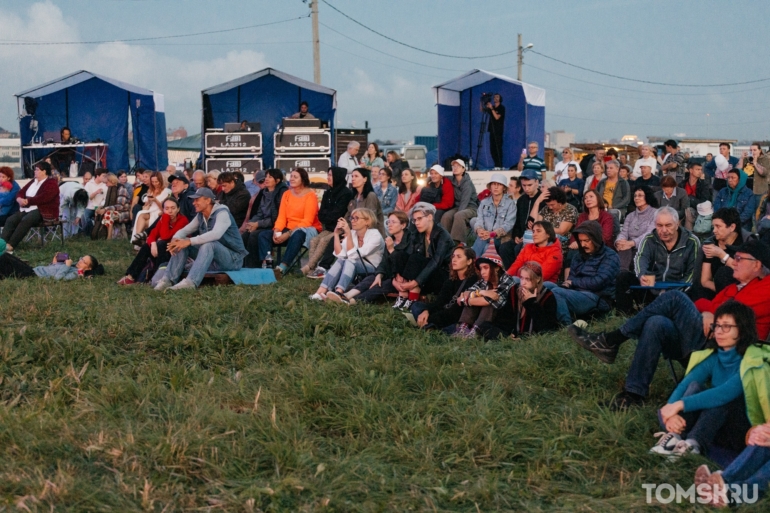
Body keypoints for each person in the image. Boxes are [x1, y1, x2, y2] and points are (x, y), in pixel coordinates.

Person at [568, 239, 770, 410]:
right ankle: (633, 394)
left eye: (740, 259)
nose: (734, 262)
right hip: (702, 340)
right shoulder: (732, 289)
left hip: (726, 351)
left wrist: (712, 312)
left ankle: (612, 339)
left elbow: (735, 316)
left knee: (674, 297)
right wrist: (709, 311)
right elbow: (702, 304)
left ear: (757, 265)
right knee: (656, 322)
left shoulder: (767, 288)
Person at [651, 301, 756, 458]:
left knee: (721, 399)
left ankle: (693, 445)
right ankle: (675, 437)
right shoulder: (714, 356)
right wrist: (670, 412)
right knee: (694, 386)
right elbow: (686, 384)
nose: (719, 331)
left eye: (726, 326)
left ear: (742, 330)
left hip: (740, 430)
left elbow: (724, 393)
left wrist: (680, 405)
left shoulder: (752, 361)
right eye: (717, 326)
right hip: (714, 424)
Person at [154, 188, 248, 291]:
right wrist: (175, 239)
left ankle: (190, 283)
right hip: (213, 260)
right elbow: (185, 230)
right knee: (181, 241)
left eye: (197, 200)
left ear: (208, 201)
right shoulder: (201, 215)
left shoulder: (222, 213)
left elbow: (216, 234)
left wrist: (189, 241)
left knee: (208, 244)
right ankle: (168, 280)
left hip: (233, 260)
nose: (193, 203)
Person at [615, 207, 700, 314]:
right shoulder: (649, 239)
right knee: (623, 277)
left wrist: (674, 293)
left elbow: (692, 273)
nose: (663, 230)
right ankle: (625, 315)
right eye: (659, 225)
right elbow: (641, 259)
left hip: (679, 290)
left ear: (677, 224)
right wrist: (643, 275)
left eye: (668, 225)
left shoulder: (691, 241)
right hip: (652, 287)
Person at [545, 221, 619, 325]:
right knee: (545, 286)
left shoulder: (610, 256)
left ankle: (566, 325)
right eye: (580, 241)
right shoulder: (578, 256)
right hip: (577, 293)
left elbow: (598, 282)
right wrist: (568, 284)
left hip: (598, 297)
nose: (583, 244)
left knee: (557, 292)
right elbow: (571, 279)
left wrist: (573, 282)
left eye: (587, 241)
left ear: (596, 239)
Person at [256, 168, 321, 278]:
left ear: (303, 179)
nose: (292, 179)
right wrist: (277, 230)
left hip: (307, 229)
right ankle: (267, 265)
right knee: (264, 235)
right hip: (289, 227)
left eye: (295, 177)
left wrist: (288, 234)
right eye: (291, 176)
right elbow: (281, 217)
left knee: (297, 234)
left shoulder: (311, 195)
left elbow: (307, 221)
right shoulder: (287, 194)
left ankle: (283, 266)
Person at [310, 208, 385, 302]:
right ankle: (320, 292)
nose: (352, 221)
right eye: (352, 218)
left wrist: (348, 235)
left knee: (350, 260)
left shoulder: (375, 236)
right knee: (343, 260)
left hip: (373, 270)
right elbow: (340, 256)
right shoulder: (353, 233)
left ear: (367, 221)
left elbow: (353, 256)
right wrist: (336, 234)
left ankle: (339, 292)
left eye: (356, 218)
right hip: (353, 265)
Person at [391, 202, 454, 311]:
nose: (416, 223)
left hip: (442, 274)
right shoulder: (417, 233)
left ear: (430, 217)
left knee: (417, 259)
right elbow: (409, 255)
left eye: (419, 219)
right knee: (399, 255)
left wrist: (416, 282)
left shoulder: (443, 236)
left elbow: (436, 262)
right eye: (415, 220)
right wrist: (397, 277)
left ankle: (412, 299)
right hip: (423, 273)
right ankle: (403, 295)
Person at [345, 211, 413, 304]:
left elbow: (404, 263)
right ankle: (347, 295)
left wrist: (391, 250)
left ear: (403, 225)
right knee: (372, 278)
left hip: (402, 277)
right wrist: (379, 274)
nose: (389, 225)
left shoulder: (410, 240)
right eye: (388, 222)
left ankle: (355, 300)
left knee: (383, 284)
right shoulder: (390, 239)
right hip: (388, 273)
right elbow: (384, 261)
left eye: (393, 222)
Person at [451, 241, 516, 339]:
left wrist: (475, 296)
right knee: (477, 299)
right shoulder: (484, 281)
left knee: (489, 303)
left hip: (501, 320)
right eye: (481, 269)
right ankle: (463, 327)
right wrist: (477, 294)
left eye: (486, 268)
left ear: (496, 268)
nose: (482, 272)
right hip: (487, 316)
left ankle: (476, 330)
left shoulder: (506, 279)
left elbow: (493, 299)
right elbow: (467, 293)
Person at [118, 198, 189, 285]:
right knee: (146, 247)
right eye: (167, 209)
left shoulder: (182, 220)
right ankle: (131, 276)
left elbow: (165, 236)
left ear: (178, 209)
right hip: (163, 249)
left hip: (178, 251)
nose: (170, 211)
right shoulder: (162, 219)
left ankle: (157, 277)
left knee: (162, 244)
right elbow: (153, 234)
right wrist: (153, 243)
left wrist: (165, 217)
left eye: (173, 208)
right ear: (163, 209)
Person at [408, 245, 477, 332]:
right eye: (453, 256)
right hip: (443, 312)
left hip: (456, 318)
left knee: (453, 326)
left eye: (459, 257)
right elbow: (439, 302)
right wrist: (427, 311)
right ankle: (429, 325)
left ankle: (427, 324)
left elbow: (456, 311)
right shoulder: (451, 280)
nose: (454, 260)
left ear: (469, 261)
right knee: (417, 306)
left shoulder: (473, 281)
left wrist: (431, 317)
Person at [482, 261, 558, 340]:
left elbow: (548, 327)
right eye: (521, 278)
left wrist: (531, 302)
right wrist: (507, 335)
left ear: (538, 279)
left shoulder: (547, 295)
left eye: (527, 279)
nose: (523, 283)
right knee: (485, 326)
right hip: (513, 332)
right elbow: (504, 318)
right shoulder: (514, 290)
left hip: (533, 335)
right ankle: (509, 339)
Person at [302, 167, 353, 278]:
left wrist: (327, 216)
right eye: (328, 175)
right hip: (329, 227)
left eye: (330, 175)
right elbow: (321, 214)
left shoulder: (346, 193)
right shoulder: (328, 193)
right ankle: (314, 268)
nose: (328, 178)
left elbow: (337, 214)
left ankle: (308, 267)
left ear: (337, 177)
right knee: (314, 240)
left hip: (339, 229)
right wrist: (327, 216)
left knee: (324, 240)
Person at [1, 162, 59, 254]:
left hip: (43, 210)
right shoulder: (33, 181)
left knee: (26, 219)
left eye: (37, 169)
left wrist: (28, 201)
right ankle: (2, 244)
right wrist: (19, 198)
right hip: (27, 208)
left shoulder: (51, 183)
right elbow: (21, 191)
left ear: (44, 171)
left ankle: (11, 245)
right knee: (11, 219)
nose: (35, 171)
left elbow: (45, 197)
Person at [241, 169, 288, 269]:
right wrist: (251, 223)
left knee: (255, 235)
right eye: (266, 177)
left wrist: (258, 224)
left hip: (277, 226)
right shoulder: (263, 192)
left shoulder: (282, 193)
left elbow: (276, 218)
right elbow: (260, 213)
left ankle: (255, 266)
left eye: (270, 177)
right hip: (264, 223)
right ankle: (245, 265)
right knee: (245, 235)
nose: (266, 179)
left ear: (277, 180)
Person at [695, 208, 744, 300]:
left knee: (725, 272)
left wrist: (722, 255)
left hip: (740, 294)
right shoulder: (711, 244)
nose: (714, 231)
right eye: (713, 227)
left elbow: (746, 273)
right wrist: (723, 292)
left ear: (732, 227)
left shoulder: (745, 244)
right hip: (716, 292)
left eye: (718, 226)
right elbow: (705, 281)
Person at [497, 169, 542, 269]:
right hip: (521, 236)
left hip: (535, 237)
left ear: (537, 182)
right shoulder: (521, 200)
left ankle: (523, 275)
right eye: (524, 185)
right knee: (504, 248)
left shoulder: (542, 199)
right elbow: (517, 221)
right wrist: (516, 235)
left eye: (529, 185)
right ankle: (512, 274)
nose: (526, 188)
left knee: (518, 248)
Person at [470, 173, 516, 256]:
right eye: (494, 184)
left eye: (499, 184)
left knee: (482, 241)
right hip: (485, 235)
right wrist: (480, 230)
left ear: (504, 188)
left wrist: (492, 233)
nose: (496, 187)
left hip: (501, 239)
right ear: (490, 186)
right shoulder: (484, 202)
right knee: (482, 240)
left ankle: (472, 261)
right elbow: (479, 219)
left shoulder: (510, 204)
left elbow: (508, 225)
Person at [567, 191, 616, 266]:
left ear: (598, 199)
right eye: (585, 198)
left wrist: (588, 243)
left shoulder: (607, 216)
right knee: (572, 253)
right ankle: (569, 278)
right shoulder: (582, 216)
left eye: (591, 196)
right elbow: (576, 233)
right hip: (582, 245)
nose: (588, 199)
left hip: (600, 246)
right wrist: (574, 242)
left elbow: (606, 236)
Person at [615, 187, 658, 270]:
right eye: (635, 196)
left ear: (647, 197)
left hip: (646, 245)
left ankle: (623, 274)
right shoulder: (630, 216)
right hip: (629, 247)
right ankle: (622, 272)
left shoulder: (655, 213)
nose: (636, 198)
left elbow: (650, 234)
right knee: (624, 248)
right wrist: (619, 241)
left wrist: (632, 243)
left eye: (640, 195)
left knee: (628, 249)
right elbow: (624, 233)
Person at [531, 185, 578, 255]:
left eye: (552, 204)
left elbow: (562, 231)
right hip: (543, 240)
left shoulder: (570, 210)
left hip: (560, 243)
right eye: (548, 205)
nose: (550, 207)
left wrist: (543, 229)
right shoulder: (546, 209)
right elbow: (534, 222)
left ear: (560, 201)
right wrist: (537, 202)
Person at [441, 159, 479, 245]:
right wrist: (429, 177)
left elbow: (465, 201)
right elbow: (441, 177)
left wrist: (456, 214)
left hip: (470, 207)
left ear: (463, 169)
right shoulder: (451, 180)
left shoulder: (467, 183)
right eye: (454, 166)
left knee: (459, 215)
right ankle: (444, 240)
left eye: (458, 166)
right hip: (457, 207)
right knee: (446, 216)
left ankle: (458, 242)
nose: (455, 168)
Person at [132, 171, 169, 244]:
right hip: (150, 211)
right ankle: (138, 237)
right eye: (153, 182)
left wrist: (155, 200)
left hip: (159, 212)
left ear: (160, 181)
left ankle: (139, 238)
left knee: (143, 219)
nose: (155, 184)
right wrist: (148, 200)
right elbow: (145, 206)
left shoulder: (166, 191)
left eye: (156, 182)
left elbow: (164, 208)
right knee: (140, 213)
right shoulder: (150, 190)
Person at [346, 168, 385, 235]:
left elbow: (371, 221)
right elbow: (348, 217)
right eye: (352, 176)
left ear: (365, 179)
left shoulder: (370, 196)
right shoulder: (353, 198)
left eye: (356, 176)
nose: (353, 179)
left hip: (370, 234)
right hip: (355, 231)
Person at [94, 173, 130, 239]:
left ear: (112, 181)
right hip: (114, 210)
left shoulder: (121, 189)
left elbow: (120, 206)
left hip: (123, 212)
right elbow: (107, 202)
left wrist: (105, 209)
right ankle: (99, 232)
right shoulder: (110, 189)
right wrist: (100, 207)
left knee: (108, 213)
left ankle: (109, 237)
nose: (106, 185)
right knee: (98, 212)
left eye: (106, 183)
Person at [680, 161, 712, 230]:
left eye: (701, 170)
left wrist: (690, 199)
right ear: (691, 170)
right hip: (683, 209)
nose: (700, 172)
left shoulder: (703, 185)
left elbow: (704, 201)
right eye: (697, 169)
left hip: (698, 210)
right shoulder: (683, 184)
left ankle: (688, 233)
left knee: (688, 210)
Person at [738, 142, 770, 208]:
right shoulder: (747, 159)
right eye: (751, 150)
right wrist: (741, 158)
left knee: (758, 211)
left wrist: (755, 163)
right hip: (746, 190)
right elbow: (737, 170)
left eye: (755, 150)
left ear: (760, 150)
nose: (752, 152)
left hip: (759, 191)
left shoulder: (765, 159)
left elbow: (763, 173)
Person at [29, 253, 103, 280]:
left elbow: (57, 278)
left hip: (35, 274)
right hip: (35, 269)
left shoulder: (76, 273)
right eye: (81, 258)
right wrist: (54, 262)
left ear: (88, 268)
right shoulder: (73, 265)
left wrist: (67, 266)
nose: (80, 261)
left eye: (84, 262)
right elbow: (52, 270)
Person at [82, 168, 108, 234]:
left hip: (100, 207)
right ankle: (88, 233)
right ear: (98, 176)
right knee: (84, 216)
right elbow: (88, 197)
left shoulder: (105, 185)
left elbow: (105, 199)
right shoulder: (89, 184)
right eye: (103, 176)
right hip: (90, 207)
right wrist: (96, 192)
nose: (105, 177)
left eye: (105, 176)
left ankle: (95, 231)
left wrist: (100, 206)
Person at [486, 94, 505, 168]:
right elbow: (482, 110)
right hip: (491, 130)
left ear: (500, 99)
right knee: (492, 148)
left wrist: (492, 109)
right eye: (494, 97)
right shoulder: (492, 107)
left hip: (498, 131)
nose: (495, 98)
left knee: (498, 148)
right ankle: (496, 164)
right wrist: (482, 102)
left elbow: (497, 117)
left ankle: (499, 165)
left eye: (497, 97)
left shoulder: (501, 108)